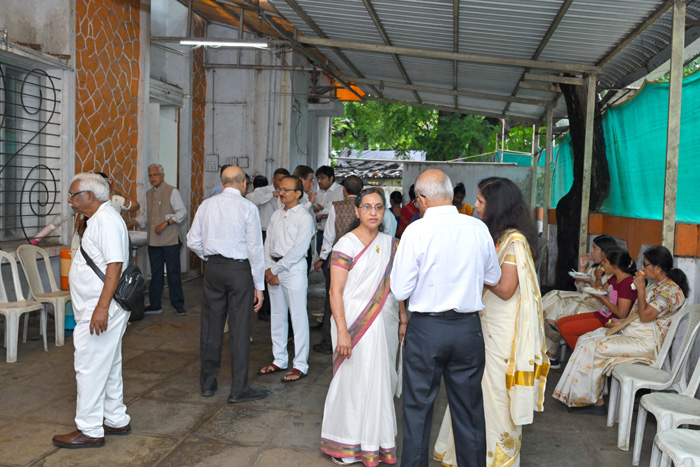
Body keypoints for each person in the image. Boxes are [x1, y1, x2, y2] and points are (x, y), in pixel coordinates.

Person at [433, 177, 548, 467]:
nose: (476, 205)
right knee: (477, 391)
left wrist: (473, 268)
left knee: (495, 394)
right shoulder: (500, 236)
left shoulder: (515, 241)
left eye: (481, 201)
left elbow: (506, 289)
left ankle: (497, 458)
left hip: (502, 330)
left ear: (497, 205)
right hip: (488, 323)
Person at [391, 169, 501, 467]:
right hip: (467, 329)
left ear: (422, 200)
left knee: (418, 411)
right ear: (451, 195)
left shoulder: (416, 231)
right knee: (469, 411)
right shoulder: (477, 228)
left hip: (427, 330)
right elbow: (493, 276)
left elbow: (399, 288)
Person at [320, 188, 401, 466]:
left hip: (384, 322)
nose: (373, 212)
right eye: (367, 207)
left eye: (378, 207)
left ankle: (376, 443)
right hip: (353, 324)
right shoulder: (346, 244)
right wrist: (342, 331)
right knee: (352, 381)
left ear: (384, 211)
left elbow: (397, 288)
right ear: (357, 211)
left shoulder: (391, 244)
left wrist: (403, 319)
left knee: (379, 382)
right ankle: (346, 443)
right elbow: (335, 292)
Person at [553, 245, 688, 410]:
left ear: (658, 268)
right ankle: (590, 395)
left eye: (646, 264)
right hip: (634, 335)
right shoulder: (658, 285)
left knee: (594, 346)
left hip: (646, 344)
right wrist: (623, 322)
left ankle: (593, 401)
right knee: (585, 339)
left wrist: (640, 289)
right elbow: (641, 315)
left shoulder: (670, 291)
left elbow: (645, 316)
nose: (642, 267)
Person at [52, 174, 131, 449]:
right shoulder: (97, 219)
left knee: (89, 368)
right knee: (108, 365)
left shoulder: (106, 220)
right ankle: (116, 419)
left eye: (74, 195)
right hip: (98, 306)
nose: (70, 200)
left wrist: (101, 308)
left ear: (90, 196)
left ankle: (89, 429)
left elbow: (114, 264)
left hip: (100, 308)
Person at [187, 166, 268, 403]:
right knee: (239, 329)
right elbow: (255, 249)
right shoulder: (248, 207)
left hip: (213, 269)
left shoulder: (206, 205)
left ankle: (207, 384)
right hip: (239, 271)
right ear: (244, 184)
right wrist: (259, 286)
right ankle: (238, 389)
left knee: (211, 327)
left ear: (222, 184)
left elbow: (192, 241)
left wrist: (209, 257)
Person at [259, 176, 314, 382]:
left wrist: (275, 270)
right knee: (277, 316)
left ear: (298, 193)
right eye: (280, 189)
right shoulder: (276, 214)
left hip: (293, 270)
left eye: (286, 190)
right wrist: (268, 268)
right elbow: (268, 243)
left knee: (298, 318)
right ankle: (279, 360)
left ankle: (300, 365)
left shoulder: (304, 217)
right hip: (273, 269)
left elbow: (299, 250)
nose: (281, 193)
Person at [541, 234, 618, 367]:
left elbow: (604, 296)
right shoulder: (594, 267)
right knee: (555, 297)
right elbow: (581, 289)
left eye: (595, 248)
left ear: (605, 252)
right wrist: (582, 268)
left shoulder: (611, 272)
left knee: (558, 306)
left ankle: (551, 351)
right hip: (584, 298)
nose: (591, 251)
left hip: (596, 306)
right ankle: (551, 338)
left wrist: (591, 281)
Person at [312, 175, 364, 355]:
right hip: (360, 261)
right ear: (361, 190)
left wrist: (322, 257)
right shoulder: (365, 207)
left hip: (338, 262)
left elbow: (329, 236)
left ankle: (328, 342)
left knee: (333, 299)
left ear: (344, 190)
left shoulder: (337, 207)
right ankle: (356, 339)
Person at [127, 163, 187, 316]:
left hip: (171, 240)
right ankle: (155, 305)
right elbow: (146, 216)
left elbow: (182, 212)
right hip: (154, 241)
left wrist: (166, 223)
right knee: (156, 273)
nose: (152, 178)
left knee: (173, 273)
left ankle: (178, 304)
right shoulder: (148, 194)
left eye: (155, 174)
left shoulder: (172, 191)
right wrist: (132, 223)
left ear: (162, 175)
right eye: (150, 175)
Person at [557, 247, 637, 350]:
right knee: (561, 322)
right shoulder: (615, 277)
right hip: (603, 314)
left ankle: (585, 355)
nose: (602, 264)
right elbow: (600, 290)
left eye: (605, 262)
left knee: (566, 329)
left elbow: (622, 314)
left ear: (615, 265)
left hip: (610, 321)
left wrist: (603, 298)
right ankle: (582, 352)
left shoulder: (627, 283)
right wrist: (597, 279)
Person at [313, 165, 345, 255]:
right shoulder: (319, 192)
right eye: (318, 178)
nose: (319, 181)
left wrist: (323, 210)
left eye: (322, 178)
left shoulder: (340, 191)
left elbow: (341, 212)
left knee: (332, 260)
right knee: (321, 258)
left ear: (331, 178)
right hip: (320, 232)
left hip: (334, 235)